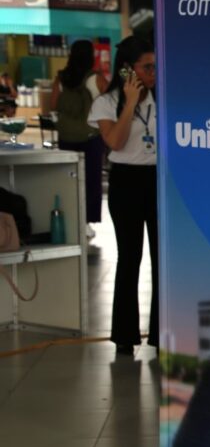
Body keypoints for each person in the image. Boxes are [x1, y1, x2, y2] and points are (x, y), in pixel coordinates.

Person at [87, 36, 158, 355]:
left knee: (162, 259)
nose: (153, 73)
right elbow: (115, 142)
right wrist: (130, 103)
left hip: (158, 180)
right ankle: (125, 336)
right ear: (128, 70)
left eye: (155, 66)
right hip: (126, 182)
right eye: (147, 67)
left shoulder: (162, 97)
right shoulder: (106, 102)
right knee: (130, 257)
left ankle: (161, 334)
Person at [52, 40, 108, 235]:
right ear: (91, 56)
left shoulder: (61, 78)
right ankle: (86, 223)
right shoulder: (95, 79)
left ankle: (70, 218)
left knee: (68, 179)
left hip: (66, 137)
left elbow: (53, 105)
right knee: (91, 181)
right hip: (90, 137)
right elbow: (110, 103)